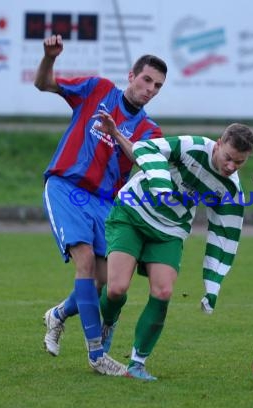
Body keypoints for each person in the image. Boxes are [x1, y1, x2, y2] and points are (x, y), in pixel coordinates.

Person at [34, 34, 167, 375]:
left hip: (105, 203)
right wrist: (50, 58)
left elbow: (140, 159)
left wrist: (115, 131)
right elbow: (43, 84)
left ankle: (58, 315)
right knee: (85, 265)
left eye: (157, 85)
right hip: (67, 187)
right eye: (146, 80)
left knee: (104, 281)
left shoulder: (151, 130)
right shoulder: (98, 89)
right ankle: (97, 356)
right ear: (131, 76)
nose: (150, 88)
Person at [92, 117, 253, 380]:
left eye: (239, 162)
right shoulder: (191, 146)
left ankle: (137, 364)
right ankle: (108, 323)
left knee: (164, 291)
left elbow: (225, 236)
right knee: (116, 289)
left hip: (170, 229)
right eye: (228, 157)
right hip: (132, 212)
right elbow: (146, 149)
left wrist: (212, 286)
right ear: (218, 144)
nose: (231, 166)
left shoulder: (230, 188)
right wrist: (161, 185)